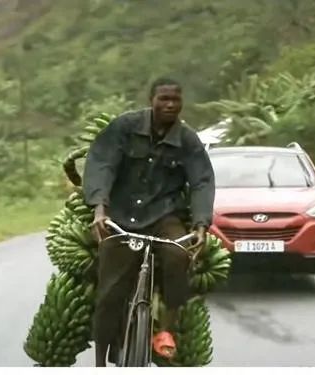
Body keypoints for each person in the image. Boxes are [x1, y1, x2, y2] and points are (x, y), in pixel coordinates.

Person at [82, 77, 215, 367]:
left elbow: (202, 181)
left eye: (175, 100)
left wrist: (202, 225)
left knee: (179, 256)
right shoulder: (125, 128)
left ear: (181, 103)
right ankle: (100, 361)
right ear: (151, 100)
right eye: (163, 99)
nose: (169, 105)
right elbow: (101, 165)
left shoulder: (187, 140)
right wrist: (99, 209)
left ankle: (166, 328)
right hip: (121, 216)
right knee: (110, 292)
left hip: (164, 217)